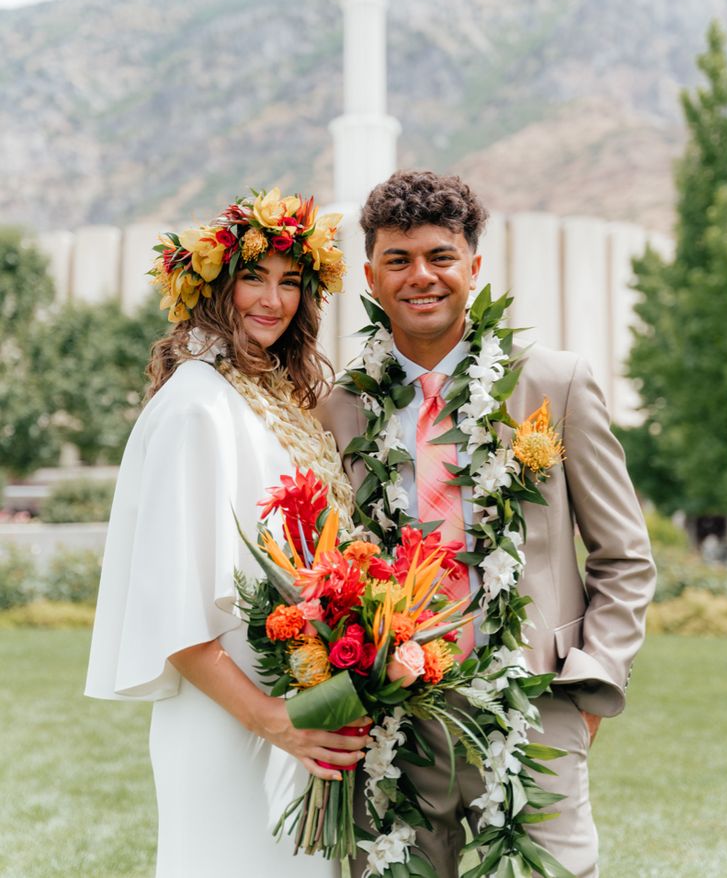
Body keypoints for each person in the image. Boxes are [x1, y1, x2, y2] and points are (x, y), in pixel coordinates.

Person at [318, 169, 657, 878]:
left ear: (474, 266)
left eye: (441, 256)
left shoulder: (555, 383)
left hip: (535, 711)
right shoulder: (342, 408)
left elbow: (623, 555)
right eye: (399, 260)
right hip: (394, 727)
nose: (422, 277)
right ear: (372, 277)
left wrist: (587, 687)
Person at [86, 188, 369, 878]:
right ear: (214, 284)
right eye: (253, 277)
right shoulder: (196, 406)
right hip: (232, 719)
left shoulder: (263, 395)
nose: (272, 299)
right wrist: (269, 718)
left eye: (290, 282)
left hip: (294, 711)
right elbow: (171, 610)